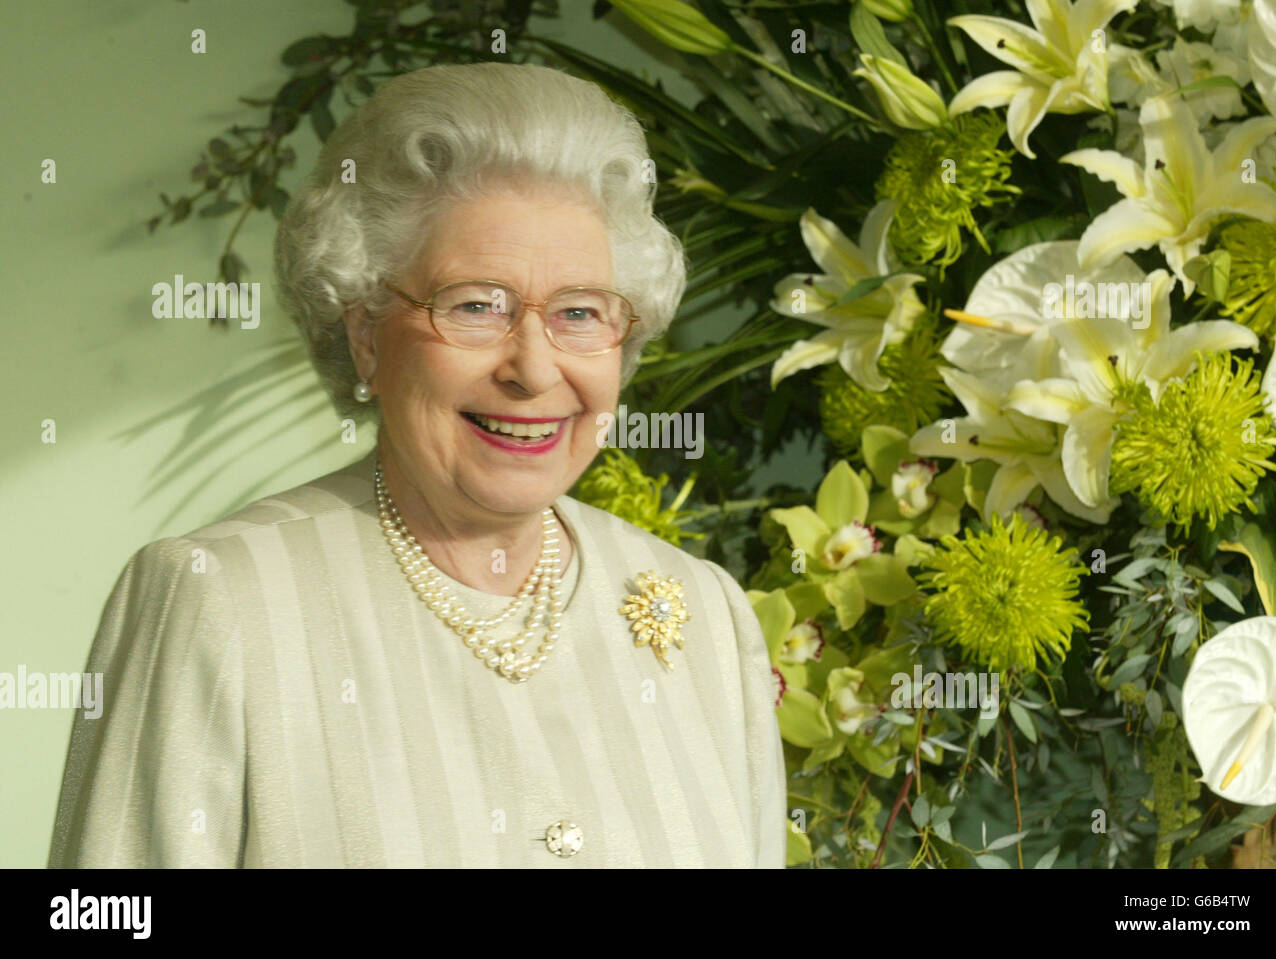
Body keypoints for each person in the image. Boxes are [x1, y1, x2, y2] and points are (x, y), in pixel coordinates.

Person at [48, 62, 787, 867]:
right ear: (364, 332)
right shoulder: (220, 599)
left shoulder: (705, 617)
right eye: (476, 305)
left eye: (579, 312)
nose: (534, 370)